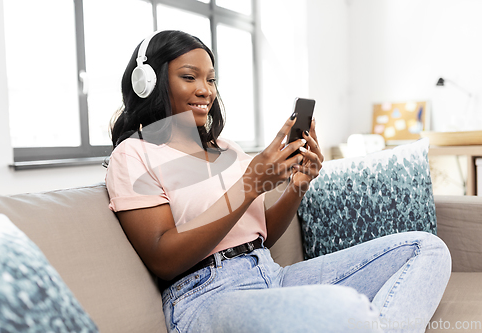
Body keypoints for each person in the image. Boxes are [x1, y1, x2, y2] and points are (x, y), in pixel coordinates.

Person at [105, 30, 451, 333]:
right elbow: (164, 259)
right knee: (345, 309)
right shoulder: (134, 154)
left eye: (211, 79)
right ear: (147, 82)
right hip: (204, 295)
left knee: (427, 248)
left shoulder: (226, 148)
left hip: (271, 274)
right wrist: (250, 185)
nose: (205, 90)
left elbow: (261, 235)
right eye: (189, 77)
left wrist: (298, 185)